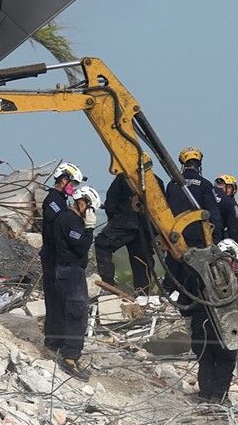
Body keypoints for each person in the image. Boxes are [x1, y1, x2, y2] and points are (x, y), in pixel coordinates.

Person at [51, 184, 100, 380]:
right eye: (90, 209)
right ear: (82, 203)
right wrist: (89, 230)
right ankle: (70, 358)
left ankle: (67, 352)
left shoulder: (67, 218)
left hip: (68, 271)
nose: (91, 214)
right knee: (76, 314)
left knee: (70, 313)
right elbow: (80, 247)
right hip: (70, 272)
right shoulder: (69, 220)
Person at [164, 146, 223, 303]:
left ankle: (167, 304)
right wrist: (217, 238)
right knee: (196, 279)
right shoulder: (205, 184)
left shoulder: (172, 184)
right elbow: (213, 213)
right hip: (198, 239)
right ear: (199, 163)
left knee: (171, 279)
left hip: (174, 239)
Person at [94, 160, 161, 295]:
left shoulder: (123, 178)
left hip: (123, 224)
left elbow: (111, 202)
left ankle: (108, 283)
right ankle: (143, 294)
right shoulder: (157, 182)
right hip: (146, 229)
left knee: (102, 243)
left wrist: (113, 221)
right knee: (142, 261)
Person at [40, 162, 86, 352]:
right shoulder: (52, 200)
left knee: (60, 298)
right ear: (63, 179)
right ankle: (53, 340)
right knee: (54, 298)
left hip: (57, 254)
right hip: (52, 255)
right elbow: (61, 223)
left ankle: (57, 338)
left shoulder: (60, 200)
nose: (73, 188)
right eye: (72, 183)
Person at [190, 237, 238, 403]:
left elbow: (186, 298)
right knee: (225, 361)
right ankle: (218, 398)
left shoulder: (199, 271)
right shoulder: (231, 280)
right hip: (221, 324)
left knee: (206, 360)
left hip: (200, 322)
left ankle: (205, 395)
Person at [213, 174, 238, 241]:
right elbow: (234, 230)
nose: (227, 190)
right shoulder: (231, 204)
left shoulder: (207, 197)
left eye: (229, 187)